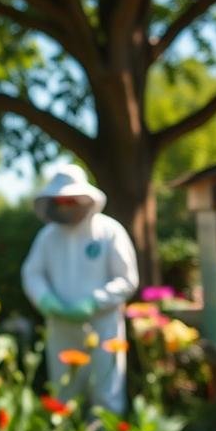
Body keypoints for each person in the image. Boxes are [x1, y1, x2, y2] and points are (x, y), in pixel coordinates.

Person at [20, 164, 139, 414]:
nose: (65, 205)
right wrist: (46, 300)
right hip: (60, 327)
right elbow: (32, 273)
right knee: (64, 391)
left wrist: (94, 302)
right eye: (60, 201)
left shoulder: (109, 231)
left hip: (102, 327)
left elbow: (127, 278)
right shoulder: (48, 236)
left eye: (71, 200)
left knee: (106, 391)